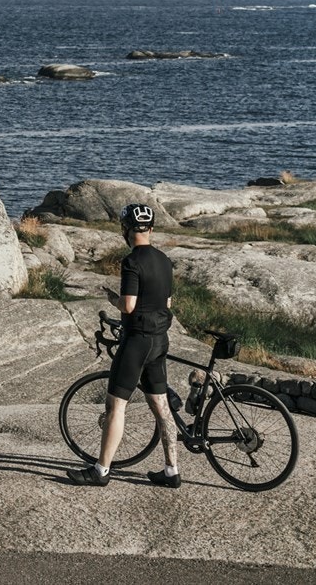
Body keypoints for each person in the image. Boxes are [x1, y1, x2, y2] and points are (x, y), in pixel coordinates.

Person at [67, 203, 179, 488]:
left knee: (116, 406)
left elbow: (128, 306)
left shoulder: (132, 262)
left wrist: (112, 300)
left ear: (125, 230)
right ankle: (171, 470)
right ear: (151, 229)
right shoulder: (165, 260)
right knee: (161, 406)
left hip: (137, 341)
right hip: (160, 340)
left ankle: (101, 470)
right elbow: (167, 303)